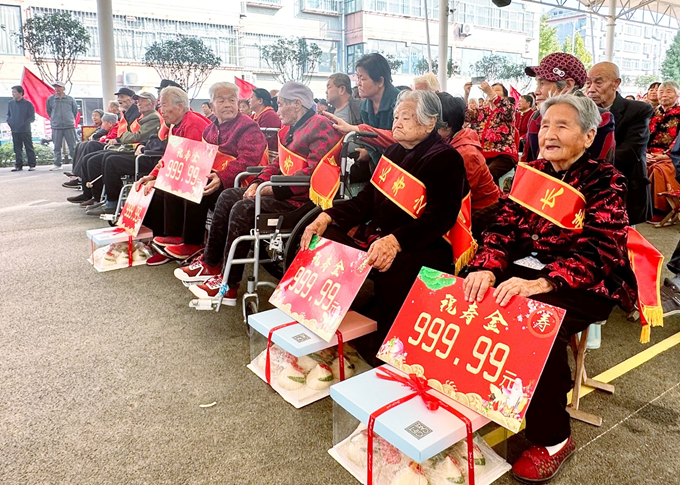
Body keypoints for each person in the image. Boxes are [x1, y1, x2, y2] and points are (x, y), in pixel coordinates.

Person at [464, 95, 634, 484]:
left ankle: (553, 438)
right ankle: (476, 391)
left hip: (587, 281)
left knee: (536, 322)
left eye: (562, 125)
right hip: (530, 266)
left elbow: (601, 251)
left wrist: (543, 283)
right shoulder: (532, 172)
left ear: (588, 136)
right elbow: (503, 226)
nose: (549, 134)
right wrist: (487, 267)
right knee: (470, 292)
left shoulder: (606, 180)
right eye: (544, 125)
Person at [300, 90, 468, 360]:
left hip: (423, 242)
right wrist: (327, 216)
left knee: (395, 265)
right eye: (396, 117)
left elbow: (440, 218)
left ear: (429, 122)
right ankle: (323, 320)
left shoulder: (445, 158)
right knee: (327, 236)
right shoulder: (393, 152)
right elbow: (365, 201)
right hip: (381, 235)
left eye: (406, 117)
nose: (397, 123)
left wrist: (395, 241)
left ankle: (387, 349)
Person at [174, 81, 341, 303]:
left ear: (297, 104)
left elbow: (314, 172)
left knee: (243, 209)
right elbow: (277, 164)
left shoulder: (320, 126)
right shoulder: (290, 129)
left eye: (280, 104)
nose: (277, 110)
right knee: (228, 195)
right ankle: (211, 263)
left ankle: (229, 284)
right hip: (285, 191)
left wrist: (272, 188)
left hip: (303, 201)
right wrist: (258, 182)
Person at [152, 82, 267, 261]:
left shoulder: (248, 127)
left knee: (198, 185)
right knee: (179, 180)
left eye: (232, 100)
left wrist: (222, 176)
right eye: (221, 101)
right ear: (212, 106)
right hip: (216, 177)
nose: (227, 105)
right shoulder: (210, 129)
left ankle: (192, 243)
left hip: (243, 181)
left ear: (238, 103)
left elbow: (248, 159)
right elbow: (197, 157)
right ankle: (176, 235)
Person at [585, 61, 654, 225]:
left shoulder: (637, 110)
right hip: (587, 191)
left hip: (622, 189)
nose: (591, 89)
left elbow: (630, 151)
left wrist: (584, 168)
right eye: (588, 83)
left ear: (616, 83)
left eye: (598, 82)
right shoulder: (582, 111)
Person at [78, 92, 161, 215]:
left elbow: (136, 136)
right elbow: (138, 137)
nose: (138, 103)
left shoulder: (153, 118)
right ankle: (103, 198)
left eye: (141, 101)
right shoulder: (141, 118)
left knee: (110, 160)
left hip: (145, 156)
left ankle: (112, 202)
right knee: (99, 157)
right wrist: (130, 138)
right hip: (136, 149)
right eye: (137, 101)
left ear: (152, 103)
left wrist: (125, 136)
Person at [464, 81, 518, 183]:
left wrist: (490, 92)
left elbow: (507, 111)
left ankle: (495, 193)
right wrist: (466, 94)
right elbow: (466, 116)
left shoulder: (508, 109)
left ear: (505, 97)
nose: (492, 92)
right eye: (491, 89)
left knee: (488, 174)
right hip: (481, 155)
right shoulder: (483, 111)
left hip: (502, 155)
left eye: (496, 90)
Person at [646, 80, 680, 217]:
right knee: (638, 165)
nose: (664, 94)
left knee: (658, 170)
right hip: (649, 153)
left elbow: (678, 140)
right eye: (661, 92)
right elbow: (643, 134)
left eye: (668, 91)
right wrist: (644, 153)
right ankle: (642, 207)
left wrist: (666, 155)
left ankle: (659, 210)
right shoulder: (652, 112)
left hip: (671, 155)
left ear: (677, 95)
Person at [46, 80, 78, 171]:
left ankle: (76, 162)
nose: (57, 89)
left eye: (59, 87)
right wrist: (55, 119)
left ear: (63, 88)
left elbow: (75, 111)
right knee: (56, 146)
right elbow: (49, 111)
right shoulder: (50, 99)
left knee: (72, 146)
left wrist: (70, 119)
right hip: (56, 126)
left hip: (69, 125)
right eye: (55, 87)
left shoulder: (70, 99)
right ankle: (57, 163)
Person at [7, 85, 36, 172]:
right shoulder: (11, 103)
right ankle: (18, 165)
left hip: (25, 130)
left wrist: (24, 124)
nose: (13, 94)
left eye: (14, 92)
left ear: (20, 93)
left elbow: (32, 117)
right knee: (17, 148)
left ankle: (32, 164)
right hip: (14, 129)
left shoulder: (28, 104)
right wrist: (10, 122)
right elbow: (9, 115)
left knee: (28, 147)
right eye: (12, 92)